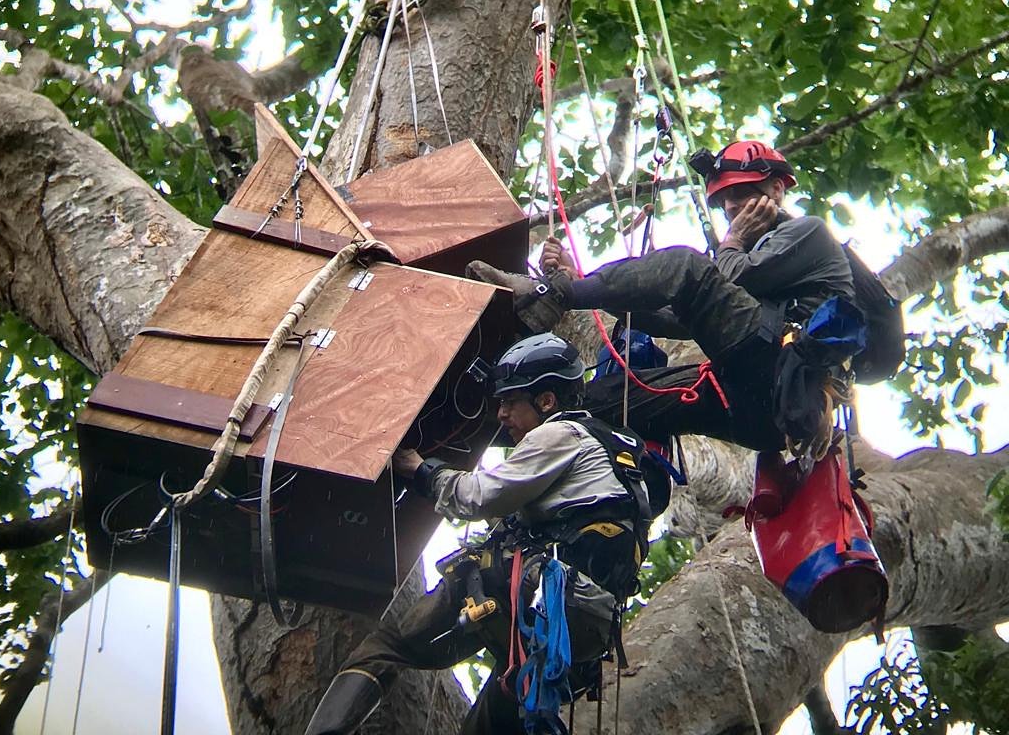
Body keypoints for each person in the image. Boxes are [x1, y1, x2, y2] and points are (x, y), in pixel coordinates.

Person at [304, 333, 661, 735]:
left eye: (511, 402)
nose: (502, 414)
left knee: (386, 649)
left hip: (535, 600)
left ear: (546, 401)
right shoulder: (618, 459)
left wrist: (419, 469)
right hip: (581, 636)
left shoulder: (560, 435)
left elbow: (480, 496)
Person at [466, 140, 855, 453]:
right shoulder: (742, 258)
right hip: (753, 398)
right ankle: (474, 423)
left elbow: (718, 275)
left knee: (685, 265)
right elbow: (674, 318)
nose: (732, 207)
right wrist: (584, 283)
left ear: (776, 188)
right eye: (724, 201)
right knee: (606, 397)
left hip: (784, 376)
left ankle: (550, 295)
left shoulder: (807, 234)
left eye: (742, 192)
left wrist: (732, 240)